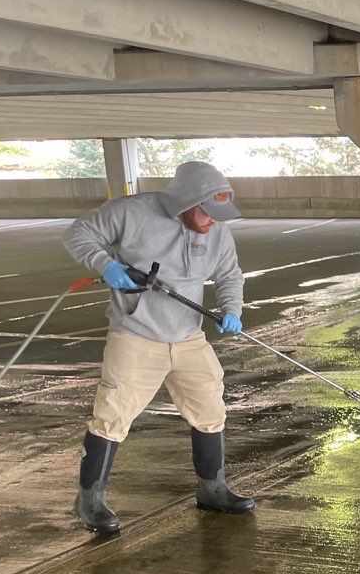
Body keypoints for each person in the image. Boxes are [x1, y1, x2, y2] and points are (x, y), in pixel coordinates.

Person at [63, 160, 255, 534]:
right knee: (113, 414)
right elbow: (78, 233)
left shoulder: (217, 233)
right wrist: (106, 266)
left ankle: (213, 488)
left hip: (188, 337)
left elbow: (229, 274)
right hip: (136, 334)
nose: (214, 221)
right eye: (208, 212)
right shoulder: (131, 212)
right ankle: (90, 500)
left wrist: (231, 309)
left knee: (209, 407)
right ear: (188, 201)